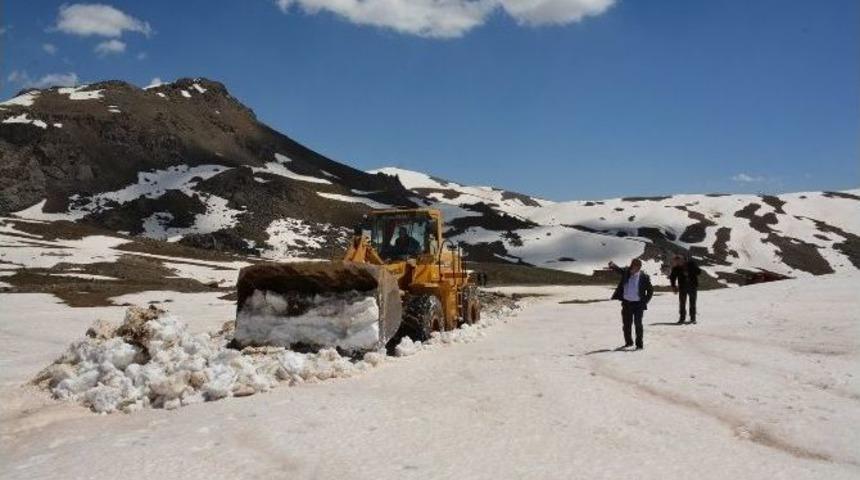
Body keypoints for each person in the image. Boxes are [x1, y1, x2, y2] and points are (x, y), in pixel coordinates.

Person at [608, 258, 654, 350]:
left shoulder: (644, 277)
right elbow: (619, 270)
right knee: (626, 324)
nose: (633, 268)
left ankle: (639, 344)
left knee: (638, 324)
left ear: (639, 267)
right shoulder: (626, 273)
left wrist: (645, 301)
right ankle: (628, 342)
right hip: (626, 303)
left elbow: (650, 290)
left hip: (638, 305)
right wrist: (613, 265)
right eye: (632, 266)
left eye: (636, 267)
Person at [669, 254, 701, 324]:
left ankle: (693, 318)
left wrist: (690, 271)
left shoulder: (691, 264)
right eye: (676, 261)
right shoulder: (676, 268)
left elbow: (698, 272)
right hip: (682, 287)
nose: (678, 262)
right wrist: (673, 286)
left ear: (683, 259)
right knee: (682, 303)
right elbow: (672, 277)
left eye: (679, 261)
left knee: (692, 303)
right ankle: (682, 318)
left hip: (692, 286)